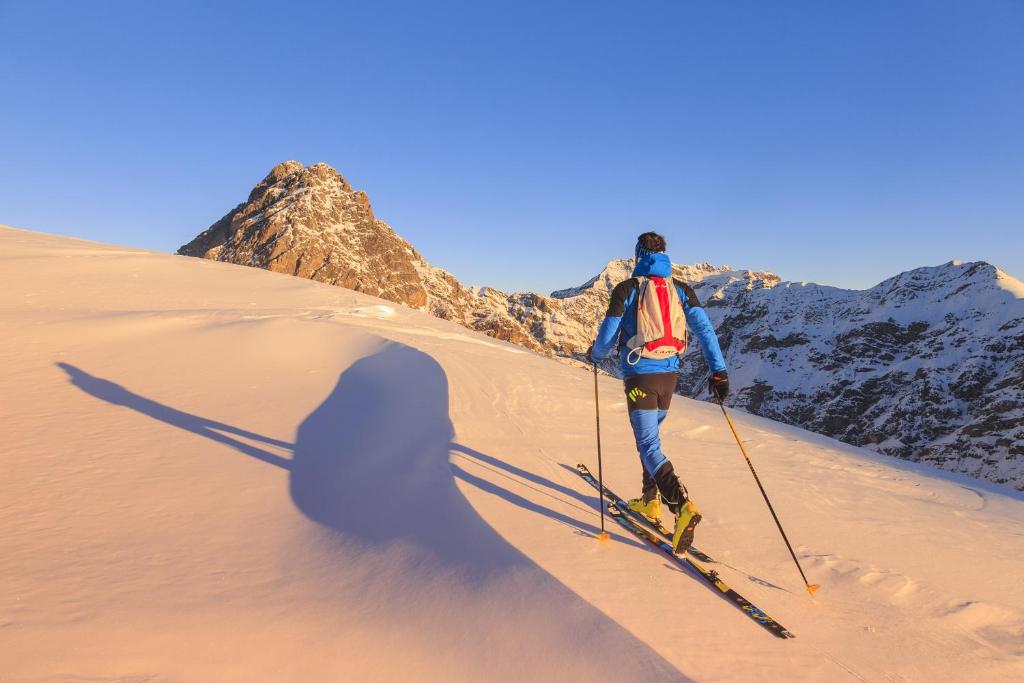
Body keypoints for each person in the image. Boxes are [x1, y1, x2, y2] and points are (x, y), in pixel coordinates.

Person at [589, 232, 729, 553]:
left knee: (648, 444)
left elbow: (608, 334)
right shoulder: (680, 289)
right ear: (664, 254)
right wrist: (718, 371)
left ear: (638, 255)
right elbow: (705, 330)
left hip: (641, 378)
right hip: (670, 378)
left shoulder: (629, 289)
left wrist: (595, 355)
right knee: (651, 440)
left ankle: (682, 507)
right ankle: (650, 501)